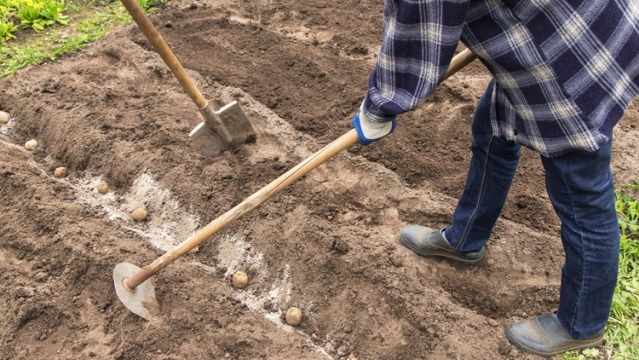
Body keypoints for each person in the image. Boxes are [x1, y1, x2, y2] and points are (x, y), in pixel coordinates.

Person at [351, 0, 639, 356]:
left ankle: (582, 323)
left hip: (565, 55)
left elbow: (420, 27)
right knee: (493, 128)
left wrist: (378, 109)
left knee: (581, 190)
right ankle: (465, 239)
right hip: (569, 20)